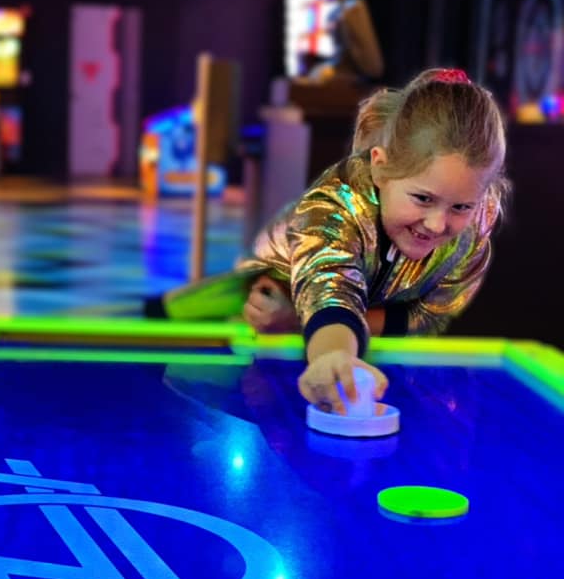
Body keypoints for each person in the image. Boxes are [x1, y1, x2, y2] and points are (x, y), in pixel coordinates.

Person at [150, 68, 509, 415]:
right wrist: (332, 355)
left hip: (333, 341)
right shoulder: (333, 207)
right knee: (183, 393)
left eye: (461, 206)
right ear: (380, 167)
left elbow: (429, 315)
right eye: (423, 199)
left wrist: (304, 325)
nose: (437, 223)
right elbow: (330, 292)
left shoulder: (477, 222)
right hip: (243, 322)